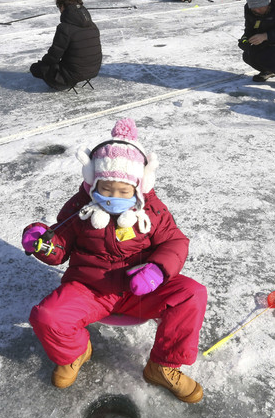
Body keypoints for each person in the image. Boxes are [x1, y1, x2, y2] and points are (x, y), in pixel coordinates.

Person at [24, 117, 207, 402]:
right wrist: (43, 243)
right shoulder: (78, 209)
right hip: (90, 289)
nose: (113, 196)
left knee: (192, 294)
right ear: (93, 182)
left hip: (141, 289)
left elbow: (175, 241)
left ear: (138, 187)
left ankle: (162, 365)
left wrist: (157, 270)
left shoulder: (153, 210)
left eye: (123, 191)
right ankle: (75, 352)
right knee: (47, 316)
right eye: (106, 189)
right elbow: (59, 246)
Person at [29, 0, 101, 91]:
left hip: (73, 74)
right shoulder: (92, 25)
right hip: (93, 70)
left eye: (58, 7)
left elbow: (54, 55)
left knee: (35, 68)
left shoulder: (65, 28)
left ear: (62, 6)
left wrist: (41, 64)